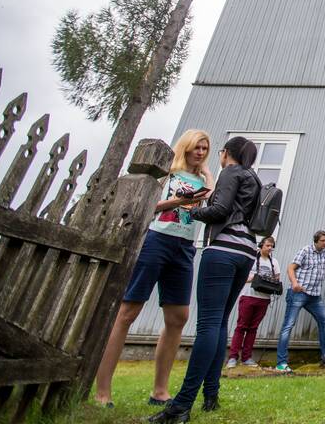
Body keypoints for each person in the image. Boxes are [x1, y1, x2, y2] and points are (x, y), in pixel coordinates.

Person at [94, 129, 213, 408]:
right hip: (157, 239)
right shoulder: (168, 175)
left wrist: (207, 173)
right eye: (197, 147)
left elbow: (209, 196)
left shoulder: (200, 180)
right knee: (128, 311)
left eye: (205, 149)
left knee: (178, 317)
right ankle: (102, 390)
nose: (201, 152)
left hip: (184, 246)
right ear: (186, 147)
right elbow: (146, 204)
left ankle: (159, 390)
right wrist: (177, 201)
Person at [151, 136, 261, 423]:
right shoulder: (254, 178)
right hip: (247, 251)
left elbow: (220, 210)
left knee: (208, 324)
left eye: (221, 152)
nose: (219, 156)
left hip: (223, 250)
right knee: (221, 321)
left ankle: (182, 404)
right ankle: (211, 395)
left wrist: (192, 210)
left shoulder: (230, 172)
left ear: (228, 154)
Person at [275, 230, 325, 372]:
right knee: (289, 325)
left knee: (324, 319)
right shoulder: (305, 251)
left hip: (314, 295)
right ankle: (281, 363)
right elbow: (290, 267)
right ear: (316, 241)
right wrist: (294, 283)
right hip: (298, 293)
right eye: (322, 241)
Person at [226, 235, 280, 368]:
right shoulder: (251, 260)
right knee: (241, 326)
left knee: (253, 328)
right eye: (267, 245)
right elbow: (240, 277)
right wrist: (254, 278)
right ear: (261, 245)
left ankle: (247, 357)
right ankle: (233, 357)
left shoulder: (274, 262)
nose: (270, 248)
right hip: (249, 295)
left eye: (272, 246)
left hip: (264, 298)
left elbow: (277, 279)